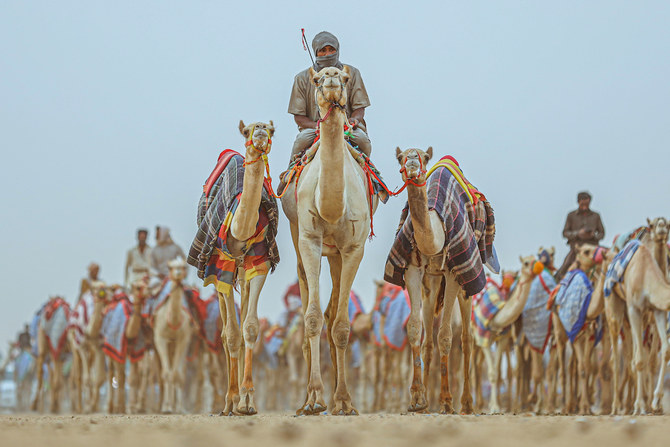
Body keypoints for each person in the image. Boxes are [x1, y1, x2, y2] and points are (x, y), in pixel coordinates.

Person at [288, 31, 372, 160]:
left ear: (337, 50)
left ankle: (371, 177)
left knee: (363, 141)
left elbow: (359, 108)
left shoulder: (352, 73)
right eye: (322, 50)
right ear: (316, 52)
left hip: (347, 128)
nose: (327, 54)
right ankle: (289, 177)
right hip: (315, 129)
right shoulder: (302, 78)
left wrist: (353, 120)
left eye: (331, 49)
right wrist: (318, 126)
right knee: (300, 141)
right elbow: (299, 117)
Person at [555, 191, 605, 280]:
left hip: (593, 249)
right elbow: (565, 233)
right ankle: (558, 282)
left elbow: (602, 233)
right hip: (577, 250)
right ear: (578, 202)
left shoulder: (596, 216)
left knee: (607, 262)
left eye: (587, 203)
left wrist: (594, 235)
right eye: (583, 204)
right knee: (565, 267)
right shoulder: (571, 216)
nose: (585, 206)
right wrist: (578, 233)